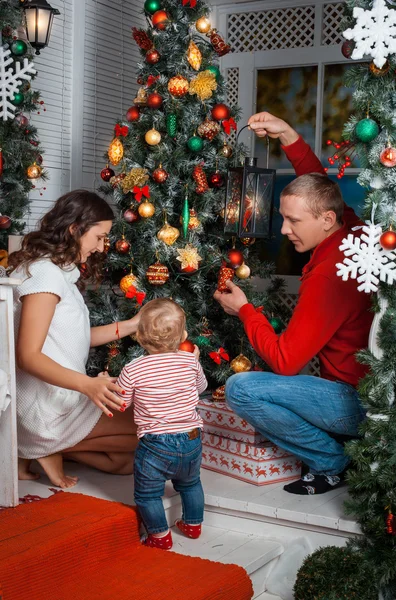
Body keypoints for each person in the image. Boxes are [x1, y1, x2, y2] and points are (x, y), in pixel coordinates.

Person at [214, 112, 373, 496]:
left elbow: (287, 362)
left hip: (357, 404)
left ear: (326, 220)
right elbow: (320, 188)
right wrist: (287, 135)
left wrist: (245, 311)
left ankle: (331, 460)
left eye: (293, 221)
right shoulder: (353, 233)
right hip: (371, 393)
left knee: (242, 389)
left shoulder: (328, 275)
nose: (284, 230)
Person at [9, 190, 139, 489]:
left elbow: (73, 338)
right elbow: (28, 356)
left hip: (60, 395)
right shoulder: (45, 275)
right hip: (46, 403)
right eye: (99, 237)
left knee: (124, 463)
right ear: (74, 229)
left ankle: (38, 450)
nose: (102, 246)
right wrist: (88, 385)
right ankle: (40, 445)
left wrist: (133, 324)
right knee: (150, 425)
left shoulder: (56, 272)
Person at [113, 298, 207, 550]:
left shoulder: (133, 369)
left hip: (156, 442)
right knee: (191, 483)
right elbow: (200, 389)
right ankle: (193, 525)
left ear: (140, 337)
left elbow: (122, 403)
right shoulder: (190, 362)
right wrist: (194, 362)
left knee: (147, 494)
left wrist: (109, 383)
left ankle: (160, 536)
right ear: (183, 335)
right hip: (191, 437)